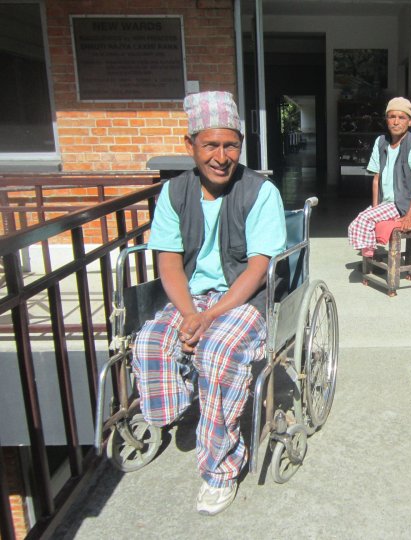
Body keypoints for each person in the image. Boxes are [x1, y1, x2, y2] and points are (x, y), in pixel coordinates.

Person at [132, 91, 286, 516]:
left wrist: (209, 317)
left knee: (217, 354)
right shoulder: (174, 193)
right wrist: (189, 315)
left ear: (240, 145)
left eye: (230, 145)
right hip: (192, 299)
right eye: (210, 145)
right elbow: (168, 259)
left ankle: (220, 468)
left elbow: (257, 268)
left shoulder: (260, 192)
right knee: (149, 341)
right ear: (191, 146)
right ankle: (183, 407)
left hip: (243, 299)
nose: (221, 156)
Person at [348, 97, 411, 257]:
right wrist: (375, 208)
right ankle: (372, 259)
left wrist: (409, 216)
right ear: (386, 120)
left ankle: (372, 259)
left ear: (410, 122)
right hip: (386, 204)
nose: (396, 122)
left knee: (364, 220)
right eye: (392, 117)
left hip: (403, 204)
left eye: (401, 117)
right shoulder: (381, 142)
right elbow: (376, 179)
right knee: (356, 223)